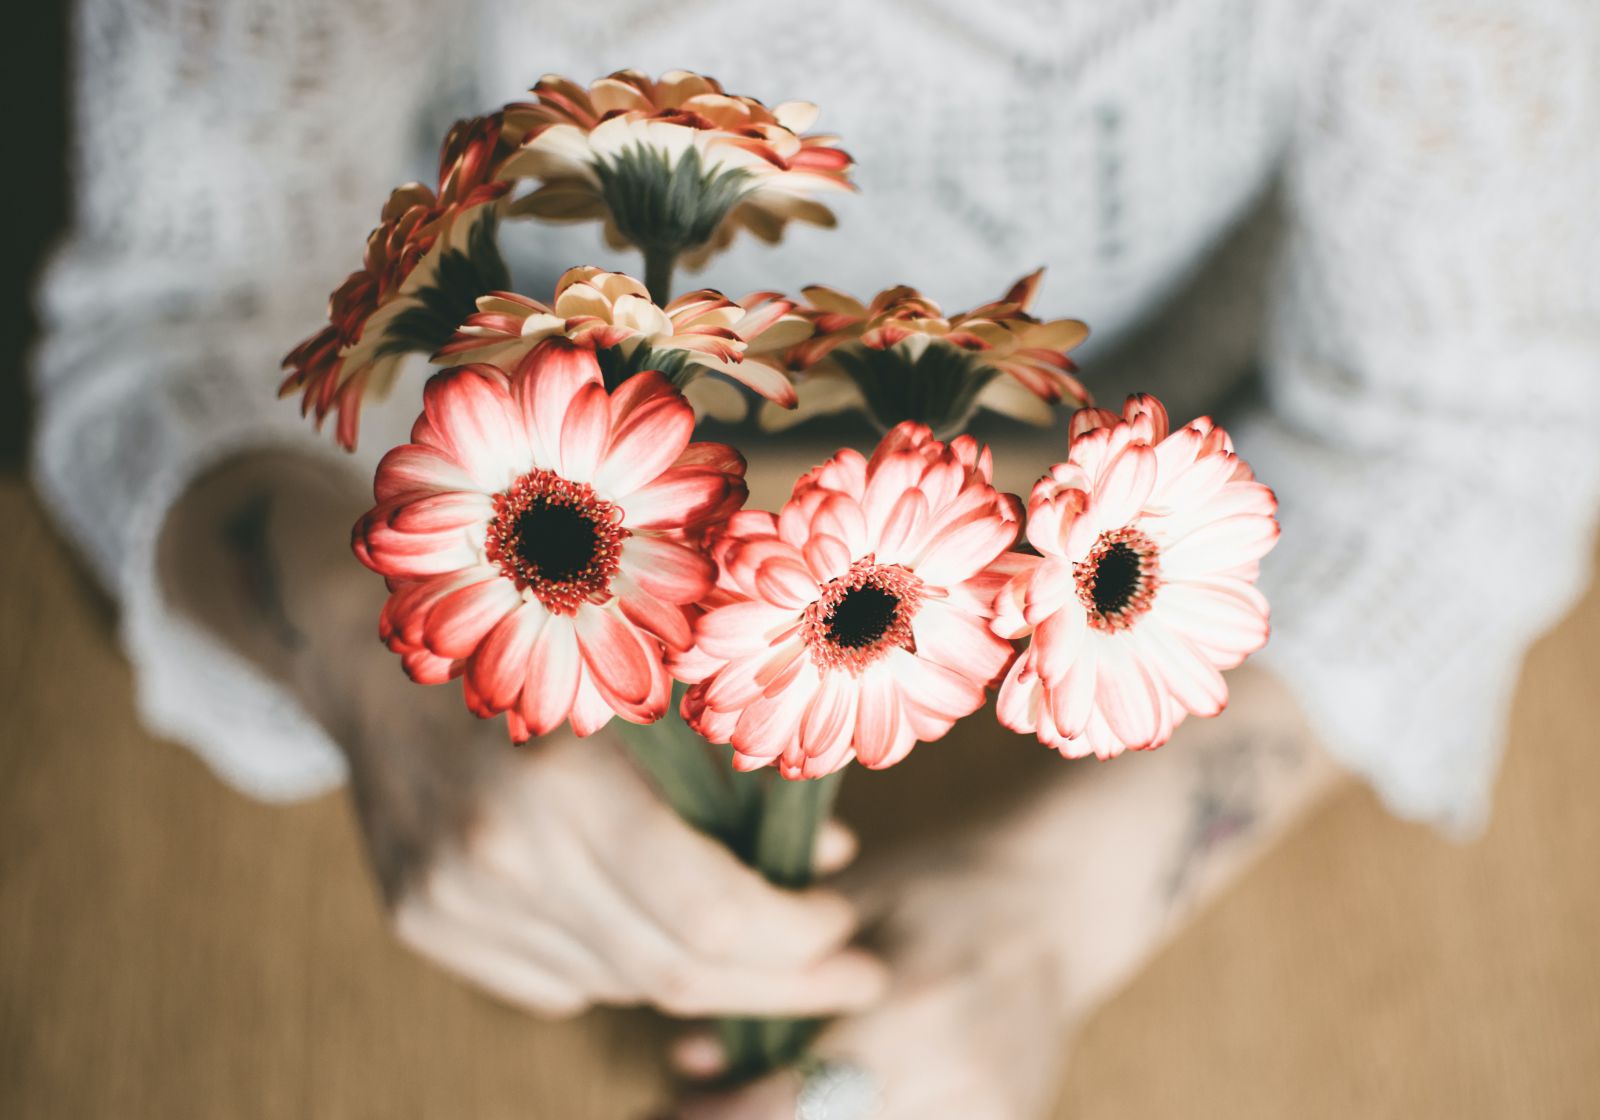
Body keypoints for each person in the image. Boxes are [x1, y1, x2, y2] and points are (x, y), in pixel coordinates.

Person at [31, 0, 1599, 1116]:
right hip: (537, 464)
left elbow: (1474, 433)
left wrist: (1051, 912)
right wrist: (383, 677)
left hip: (1111, 479)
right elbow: (183, 331)